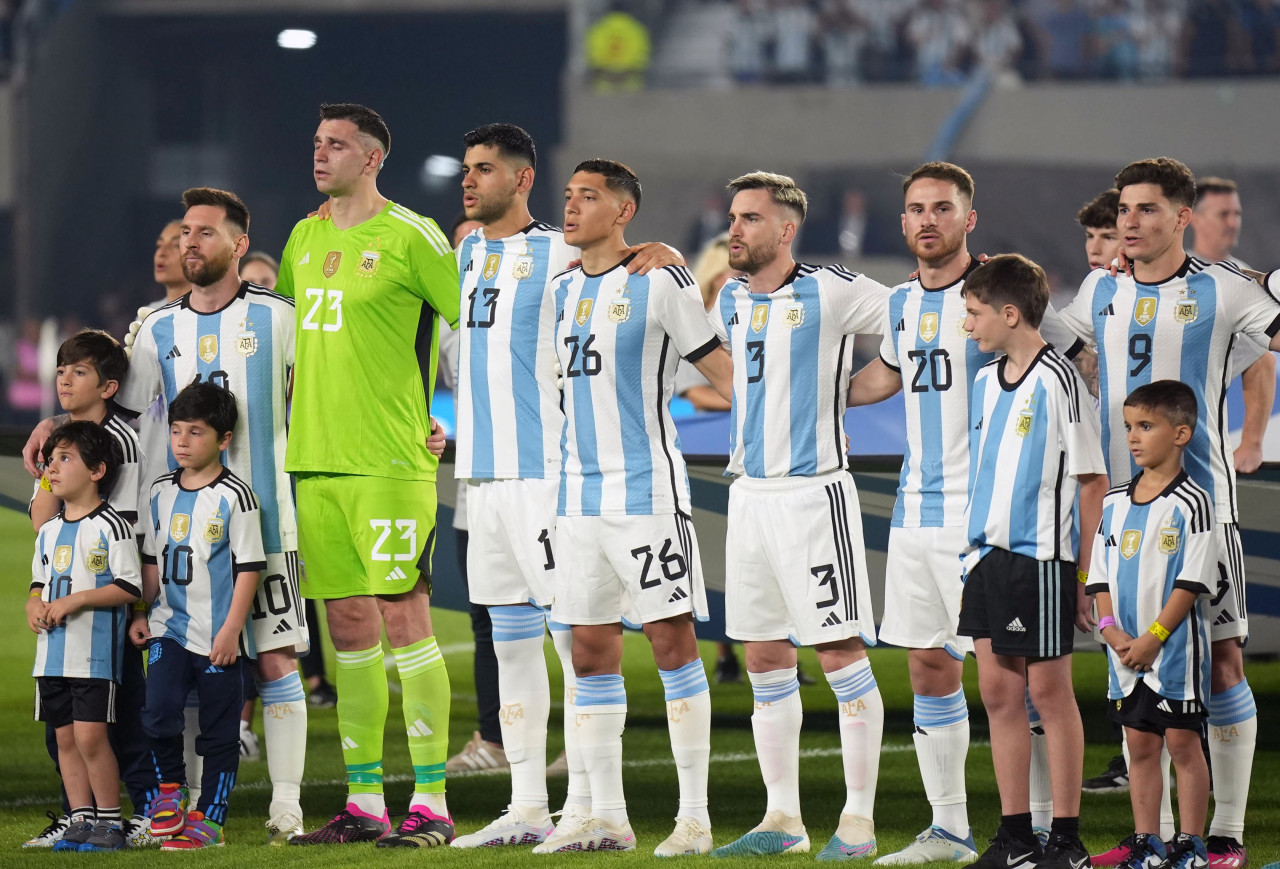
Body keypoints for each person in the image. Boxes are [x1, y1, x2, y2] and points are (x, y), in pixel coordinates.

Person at [847, 163, 1083, 862]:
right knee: (927, 664)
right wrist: (817, 398)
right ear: (902, 222)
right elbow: (886, 375)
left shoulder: (1001, 293)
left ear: (968, 218)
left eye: (941, 208)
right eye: (916, 209)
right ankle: (949, 828)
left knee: (1022, 680)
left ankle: (1043, 827)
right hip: (916, 509)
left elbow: (1072, 360)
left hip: (991, 520)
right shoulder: (898, 302)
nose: (927, 220)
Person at [1059, 157, 1280, 869]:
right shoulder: (1099, 289)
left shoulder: (1223, 292)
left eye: (1147, 209)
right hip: (1124, 526)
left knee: (1220, 662)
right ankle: (1148, 836)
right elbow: (1050, 349)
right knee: (1131, 672)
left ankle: (1226, 833)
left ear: (1182, 218)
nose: (1129, 221)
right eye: (1125, 208)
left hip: (1202, 513)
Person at [533, 159, 732, 856]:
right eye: (569, 194)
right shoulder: (558, 290)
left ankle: (695, 817)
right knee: (589, 650)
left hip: (647, 492)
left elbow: (719, 366)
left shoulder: (661, 278)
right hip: (578, 500)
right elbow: (553, 393)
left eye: (589, 196)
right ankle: (607, 817)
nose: (572, 205)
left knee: (673, 643)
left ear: (624, 211)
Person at [275, 103, 460, 849]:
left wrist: (455, 416)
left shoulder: (414, 236)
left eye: (338, 145)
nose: (321, 154)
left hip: (389, 461)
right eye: (317, 142)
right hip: (314, 460)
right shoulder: (304, 235)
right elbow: (289, 345)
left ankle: (433, 802)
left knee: (404, 618)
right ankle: (363, 802)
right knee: (348, 627)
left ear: (373, 158)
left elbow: (471, 329)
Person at [120, 187, 309, 844]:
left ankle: (287, 803)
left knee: (279, 660)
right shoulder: (156, 328)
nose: (188, 243)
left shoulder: (282, 318)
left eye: (204, 232)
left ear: (237, 241)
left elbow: (330, 395)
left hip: (271, 523)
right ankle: (194, 804)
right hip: (186, 538)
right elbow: (130, 425)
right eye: (184, 233)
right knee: (193, 669)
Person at [708, 172, 887, 861]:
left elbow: (909, 324)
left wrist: (856, 391)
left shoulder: (835, 288)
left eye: (750, 218)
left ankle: (859, 820)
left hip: (815, 496)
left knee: (839, 653)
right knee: (762, 655)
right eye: (733, 216)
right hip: (749, 495)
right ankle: (782, 817)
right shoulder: (729, 298)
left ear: (785, 229)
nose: (735, 229)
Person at [448, 124, 584, 846]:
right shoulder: (467, 250)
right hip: (486, 479)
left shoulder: (564, 250)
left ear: (523, 178)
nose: (469, 181)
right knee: (510, 642)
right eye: (467, 169)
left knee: (573, 638)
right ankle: (529, 804)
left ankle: (592, 804)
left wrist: (661, 251)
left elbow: (638, 269)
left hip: (545, 475)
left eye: (484, 169)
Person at [958, 253, 1109, 869]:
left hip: (1040, 560)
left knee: (1049, 693)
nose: (967, 324)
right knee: (997, 694)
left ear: (1010, 313)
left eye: (974, 313)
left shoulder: (1060, 380)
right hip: (987, 558)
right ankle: (1016, 834)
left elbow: (1093, 483)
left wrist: (1085, 577)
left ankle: (1066, 839)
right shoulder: (983, 380)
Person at [23, 330, 157, 850]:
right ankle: (80, 816)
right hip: (62, 587)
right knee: (67, 725)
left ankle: (141, 810)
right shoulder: (62, 441)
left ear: (108, 386)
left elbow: (119, 523)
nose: (64, 380)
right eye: (61, 371)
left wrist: (137, 602)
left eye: (78, 372)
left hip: (103, 596)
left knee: (114, 712)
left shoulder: (117, 441)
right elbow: (44, 520)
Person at [130, 382, 265, 850]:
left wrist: (231, 631)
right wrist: (140, 610)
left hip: (218, 638)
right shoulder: (160, 491)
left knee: (220, 732)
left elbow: (249, 568)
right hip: (168, 628)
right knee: (158, 712)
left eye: (196, 432)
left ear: (224, 439)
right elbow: (151, 557)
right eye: (176, 431)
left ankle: (211, 818)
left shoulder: (236, 495)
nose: (182, 441)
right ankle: (170, 791)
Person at [1086, 380, 1214, 869]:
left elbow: (1191, 580)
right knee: (1138, 744)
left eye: (1146, 426)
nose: (1133, 437)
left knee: (1183, 743)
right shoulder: (1116, 501)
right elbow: (1098, 576)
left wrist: (1153, 638)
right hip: (1124, 653)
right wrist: (1113, 631)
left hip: (1173, 649)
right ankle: (1147, 842)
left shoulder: (1194, 502)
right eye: (1128, 427)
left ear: (1180, 434)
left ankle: (1191, 845)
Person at [437, 211, 510, 776]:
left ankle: (582, 752)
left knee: (567, 621)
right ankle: (495, 739)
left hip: (536, 487)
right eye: (462, 249)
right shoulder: (444, 322)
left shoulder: (530, 303)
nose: (471, 258)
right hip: (472, 495)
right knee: (484, 620)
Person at [1187, 176, 1275, 476]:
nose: (1233, 222)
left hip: (1199, 441)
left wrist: (1251, 443)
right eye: (1223, 214)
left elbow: (1261, 361)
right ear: (1194, 219)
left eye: (1236, 214)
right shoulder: (1170, 269)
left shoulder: (1241, 279)